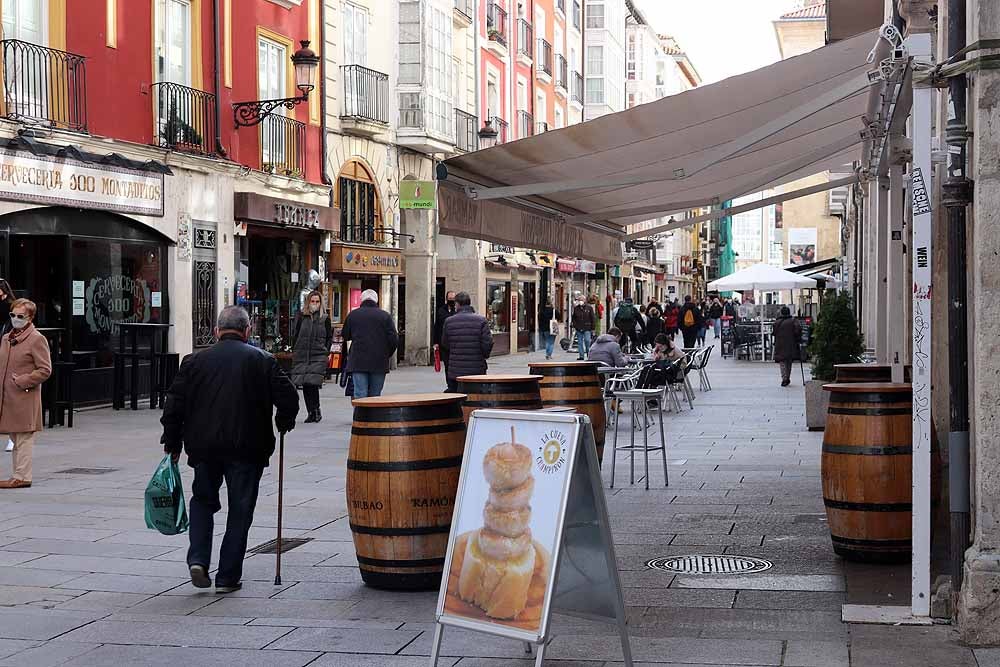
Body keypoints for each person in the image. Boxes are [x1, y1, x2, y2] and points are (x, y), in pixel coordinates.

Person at [160, 306, 299, 592]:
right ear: (248, 331)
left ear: (216, 331)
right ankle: (227, 577)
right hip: (248, 449)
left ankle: (198, 558)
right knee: (240, 510)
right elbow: (289, 398)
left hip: (204, 447)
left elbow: (173, 405)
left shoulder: (194, 361)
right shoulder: (263, 360)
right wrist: (283, 421)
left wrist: (172, 443)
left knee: (202, 501)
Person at [0, 299, 51, 489]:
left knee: (23, 437)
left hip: (24, 396)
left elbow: (45, 370)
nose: (15, 319)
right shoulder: (7, 338)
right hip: (7, 397)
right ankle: (18, 475)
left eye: (20, 316)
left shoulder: (37, 339)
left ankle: (22, 476)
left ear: (30, 318)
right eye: (13, 315)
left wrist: (22, 380)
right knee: (15, 437)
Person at [341, 289, 399, 399]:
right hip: (379, 362)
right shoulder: (385, 316)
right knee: (375, 395)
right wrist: (387, 354)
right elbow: (394, 339)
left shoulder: (353, 315)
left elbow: (345, 335)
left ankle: (360, 415)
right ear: (376, 300)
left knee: (360, 394)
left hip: (358, 361)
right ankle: (373, 416)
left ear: (361, 300)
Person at [290, 290, 333, 424]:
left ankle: (316, 411)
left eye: (317, 301)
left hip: (318, 354)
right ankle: (311, 412)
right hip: (303, 354)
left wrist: (326, 351)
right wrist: (295, 349)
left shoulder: (324, 318)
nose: (314, 304)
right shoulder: (302, 316)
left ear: (321, 303)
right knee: (305, 384)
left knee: (312, 383)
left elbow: (329, 337)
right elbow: (296, 334)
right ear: (308, 302)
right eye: (312, 301)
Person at [441, 292, 493, 392]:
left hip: (455, 369)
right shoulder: (481, 321)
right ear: (469, 303)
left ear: (457, 304)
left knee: (456, 398)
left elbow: (445, 343)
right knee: (476, 398)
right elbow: (488, 343)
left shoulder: (449, 321)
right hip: (477, 369)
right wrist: (483, 355)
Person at [772, 306, 803, 387]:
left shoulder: (777, 322)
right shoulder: (793, 321)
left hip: (780, 344)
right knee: (789, 362)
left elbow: (774, 332)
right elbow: (798, 331)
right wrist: (798, 339)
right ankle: (787, 377)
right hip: (791, 344)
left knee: (782, 362)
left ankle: (784, 378)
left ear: (781, 313)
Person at [433, 291, 457, 381]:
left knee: (454, 364)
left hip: (455, 342)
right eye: (449, 299)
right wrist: (435, 342)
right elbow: (437, 327)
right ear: (446, 299)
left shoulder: (458, 310)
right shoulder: (441, 310)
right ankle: (449, 383)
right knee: (447, 364)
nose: (451, 301)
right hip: (444, 342)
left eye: (453, 299)